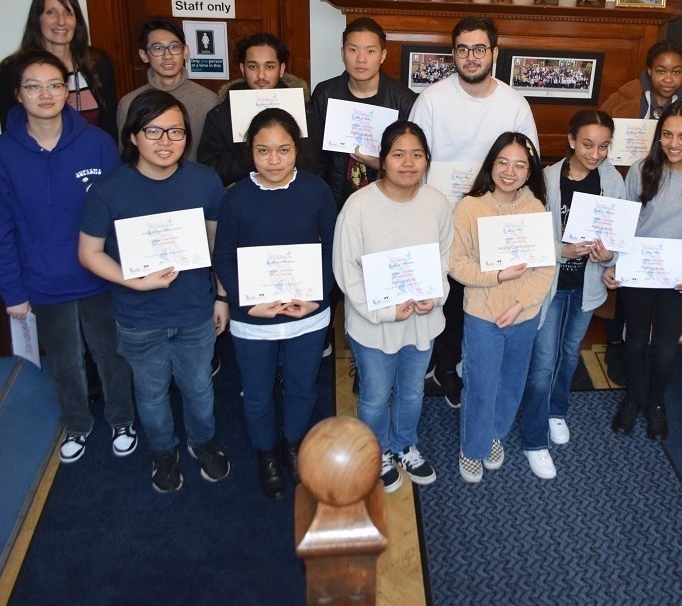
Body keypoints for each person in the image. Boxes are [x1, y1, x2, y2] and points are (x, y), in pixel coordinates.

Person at [0, 50, 135, 464]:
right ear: (18, 94)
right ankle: (78, 424)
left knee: (111, 353)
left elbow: (121, 214)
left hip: (100, 275)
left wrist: (127, 272)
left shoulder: (98, 144)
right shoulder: (0, 155)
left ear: (68, 91)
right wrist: (12, 291)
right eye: (33, 86)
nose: (45, 94)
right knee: (65, 362)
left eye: (54, 85)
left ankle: (122, 418)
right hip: (44, 280)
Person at [78, 90, 230, 494]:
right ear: (133, 136)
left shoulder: (205, 181)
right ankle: (164, 452)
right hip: (138, 316)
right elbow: (89, 252)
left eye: (176, 132)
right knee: (151, 392)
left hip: (194, 310)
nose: (166, 141)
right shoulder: (108, 189)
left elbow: (217, 247)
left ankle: (203, 442)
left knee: (199, 387)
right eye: (154, 131)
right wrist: (136, 280)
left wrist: (221, 296)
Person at [409, 16, 538, 408]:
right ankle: (441, 364)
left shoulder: (514, 104)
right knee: (444, 298)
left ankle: (461, 365)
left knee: (477, 298)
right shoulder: (432, 99)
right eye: (463, 49)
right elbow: (414, 158)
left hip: (495, 223)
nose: (471, 57)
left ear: (494, 53)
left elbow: (526, 165)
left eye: (479, 49)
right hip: (441, 217)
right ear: (453, 53)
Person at [212, 108, 337, 500]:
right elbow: (224, 256)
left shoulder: (317, 190)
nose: (274, 160)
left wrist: (317, 300)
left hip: (308, 313)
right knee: (258, 390)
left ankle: (293, 444)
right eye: (263, 151)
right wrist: (245, 304)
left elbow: (334, 248)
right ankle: (267, 454)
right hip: (255, 317)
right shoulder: (235, 198)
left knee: (302, 387)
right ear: (250, 151)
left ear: (296, 149)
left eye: (283, 150)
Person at [334, 121, 451, 493]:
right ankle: (377, 451)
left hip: (421, 320)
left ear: (427, 161)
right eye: (398, 154)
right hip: (374, 324)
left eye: (417, 155)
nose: (408, 163)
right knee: (374, 394)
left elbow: (445, 257)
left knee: (413, 391)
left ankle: (404, 445)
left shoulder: (436, 202)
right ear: (382, 160)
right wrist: (384, 311)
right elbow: (345, 269)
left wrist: (437, 296)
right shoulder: (359, 205)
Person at [603, 102, 682, 441]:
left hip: (678, 279)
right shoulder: (642, 170)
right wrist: (614, 264)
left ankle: (655, 403)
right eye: (667, 134)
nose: (674, 143)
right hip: (638, 274)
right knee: (636, 342)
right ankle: (634, 398)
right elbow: (624, 226)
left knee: (665, 350)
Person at [517, 110, 623, 479]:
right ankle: (534, 439)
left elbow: (617, 237)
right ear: (571, 140)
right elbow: (529, 237)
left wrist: (610, 257)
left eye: (604, 146)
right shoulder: (546, 179)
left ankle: (556, 410)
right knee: (542, 360)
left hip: (587, 286)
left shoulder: (612, 180)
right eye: (588, 144)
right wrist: (563, 250)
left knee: (569, 353)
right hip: (550, 286)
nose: (595, 154)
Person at [449, 132, 555, 483]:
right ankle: (473, 446)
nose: (510, 171)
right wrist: (496, 276)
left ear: (530, 171)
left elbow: (544, 268)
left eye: (520, 165)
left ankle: (494, 433)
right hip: (483, 315)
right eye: (503, 162)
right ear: (491, 164)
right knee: (481, 384)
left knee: (511, 382)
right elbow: (456, 265)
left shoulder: (535, 207)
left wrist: (521, 303)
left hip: (524, 315)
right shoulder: (469, 207)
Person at [312, 17, 417, 209]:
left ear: (382, 55)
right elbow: (315, 158)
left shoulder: (405, 101)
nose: (361, 59)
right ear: (343, 53)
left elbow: (414, 162)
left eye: (370, 51)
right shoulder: (324, 93)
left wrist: (381, 163)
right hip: (333, 199)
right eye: (353, 50)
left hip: (387, 201)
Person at [198, 32, 323, 185]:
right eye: (253, 66)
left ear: (281, 69)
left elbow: (311, 167)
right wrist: (251, 153)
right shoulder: (220, 114)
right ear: (243, 69)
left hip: (292, 199)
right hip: (241, 198)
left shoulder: (306, 113)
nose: (261, 75)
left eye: (269, 66)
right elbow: (209, 169)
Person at [0, 0, 118, 140]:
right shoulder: (12, 70)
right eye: (51, 12)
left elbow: (109, 128)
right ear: (37, 20)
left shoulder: (98, 63)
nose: (61, 21)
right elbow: (11, 131)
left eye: (68, 13)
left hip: (92, 158)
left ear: (77, 22)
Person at [116, 18, 219, 160]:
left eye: (174, 47)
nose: (167, 56)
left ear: (185, 52)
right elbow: (127, 157)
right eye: (158, 48)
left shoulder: (209, 100)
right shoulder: (128, 103)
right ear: (144, 55)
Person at [600, 39, 682, 119]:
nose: (668, 79)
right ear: (650, 70)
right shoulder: (625, 96)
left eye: (676, 72)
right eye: (661, 71)